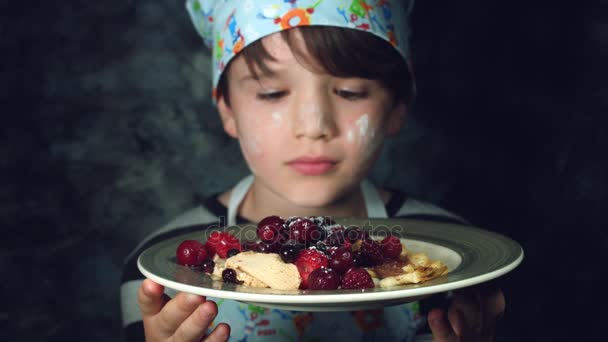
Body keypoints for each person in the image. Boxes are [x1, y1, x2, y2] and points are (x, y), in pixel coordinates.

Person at [120, 0, 505, 341]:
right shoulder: (162, 268)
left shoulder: (462, 261)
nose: (314, 125)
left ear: (396, 108)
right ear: (227, 110)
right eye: (272, 93)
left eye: (350, 92)